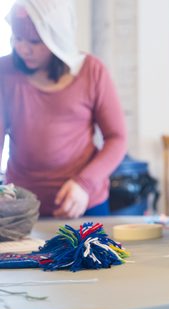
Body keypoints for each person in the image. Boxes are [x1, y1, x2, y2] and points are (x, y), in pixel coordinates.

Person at [0, 0, 127, 218]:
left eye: (34, 41)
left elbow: (117, 139)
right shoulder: (5, 71)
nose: (23, 49)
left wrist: (84, 183)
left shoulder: (92, 71)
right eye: (17, 38)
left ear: (56, 39)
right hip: (22, 206)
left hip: (85, 203)